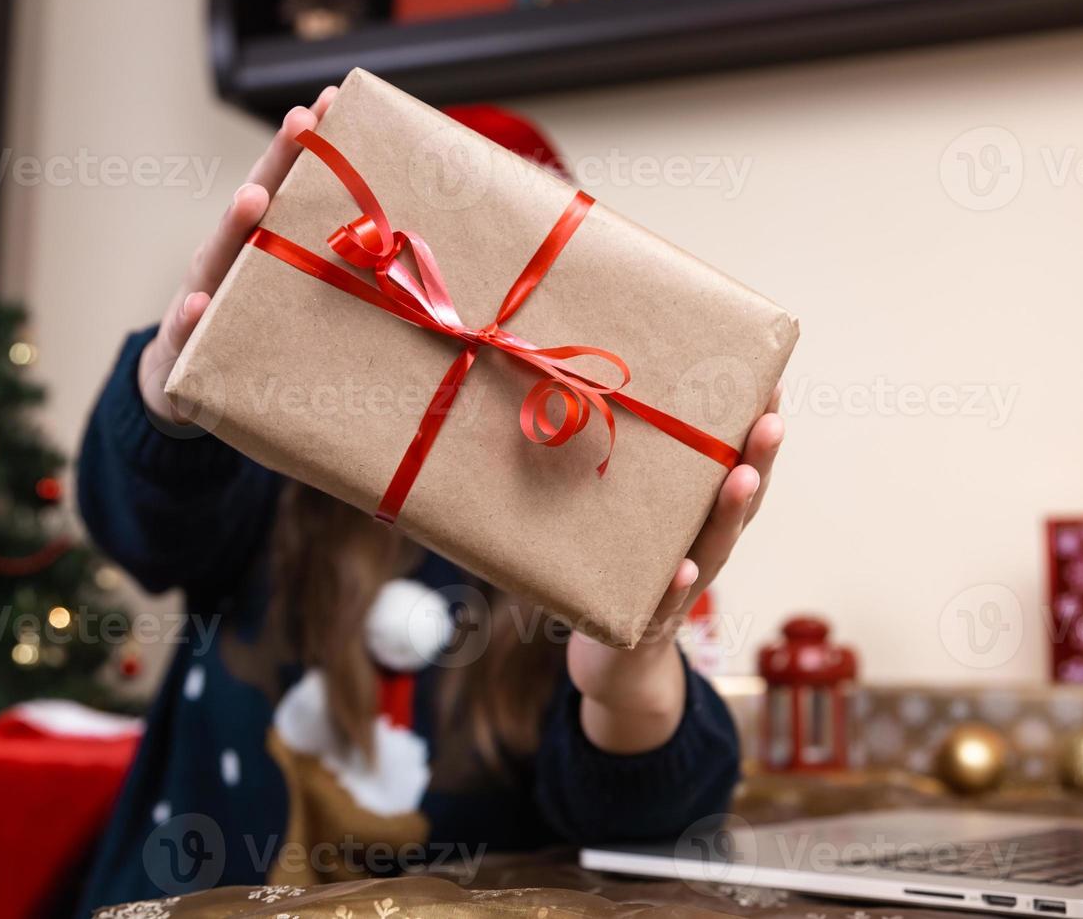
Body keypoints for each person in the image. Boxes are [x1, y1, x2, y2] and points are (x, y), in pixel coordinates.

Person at [74, 86, 786, 915]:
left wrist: (629, 683)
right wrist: (170, 397)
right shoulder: (265, 479)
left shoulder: (587, 549)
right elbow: (144, 523)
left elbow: (647, 838)